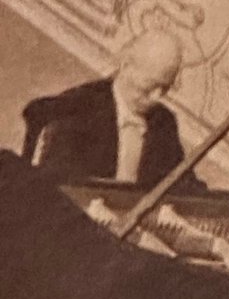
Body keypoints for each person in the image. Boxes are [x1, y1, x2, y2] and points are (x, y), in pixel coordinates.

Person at [23, 31, 190, 191]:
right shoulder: (76, 108)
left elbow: (184, 186)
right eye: (151, 84)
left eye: (166, 87)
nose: (157, 96)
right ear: (126, 65)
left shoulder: (164, 122)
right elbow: (57, 185)